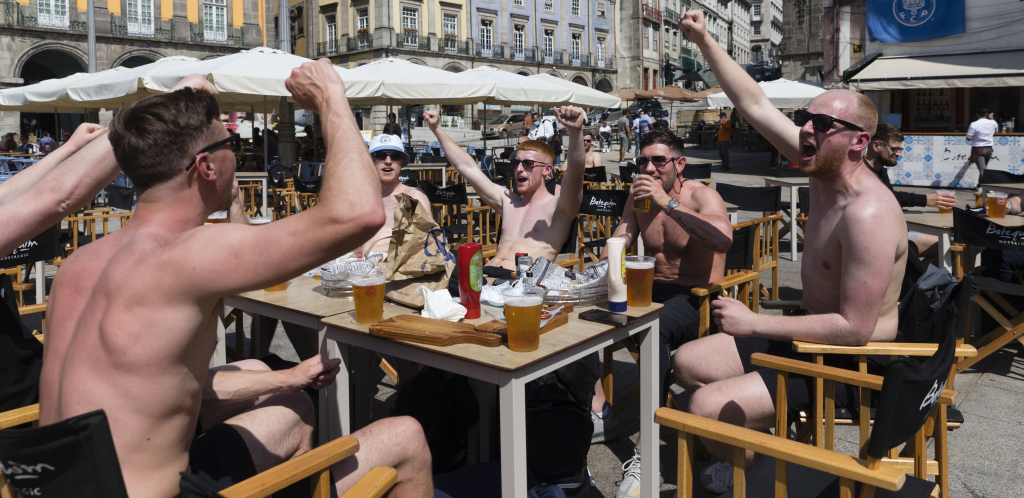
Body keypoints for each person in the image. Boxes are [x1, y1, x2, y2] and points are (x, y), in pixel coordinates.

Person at [38, 66, 433, 498]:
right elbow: (359, 213)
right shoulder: (188, 254)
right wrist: (331, 97)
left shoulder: (80, 263)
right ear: (206, 166)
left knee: (292, 409)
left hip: (55, 482)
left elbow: (156, 384)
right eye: (233, 145)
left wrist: (284, 380)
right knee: (408, 436)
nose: (237, 155)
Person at [672, 10, 907, 494]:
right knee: (688, 362)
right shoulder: (822, 167)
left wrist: (755, 322)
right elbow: (754, 104)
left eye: (821, 123)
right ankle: (756, 452)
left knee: (703, 408)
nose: (805, 129)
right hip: (807, 334)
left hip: (851, 362)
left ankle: (768, 477)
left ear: (860, 141)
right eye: (804, 119)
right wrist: (704, 41)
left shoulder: (868, 214)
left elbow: (856, 328)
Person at [604, 129, 733, 498]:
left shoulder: (701, 195)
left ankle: (647, 451)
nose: (648, 167)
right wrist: (601, 270)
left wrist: (667, 202)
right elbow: (622, 238)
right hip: (649, 287)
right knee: (581, 317)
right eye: (642, 160)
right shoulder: (639, 196)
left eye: (658, 160)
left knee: (651, 330)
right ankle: (597, 409)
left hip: (694, 296)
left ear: (679, 164)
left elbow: (722, 239)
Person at [0, 123, 120, 412]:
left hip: (30, 372)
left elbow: (6, 196)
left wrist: (70, 148)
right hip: (26, 409)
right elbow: (58, 200)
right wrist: (145, 122)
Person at [425, 106, 586, 275]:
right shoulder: (508, 201)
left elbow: (575, 174)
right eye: (517, 163)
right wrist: (436, 129)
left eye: (528, 164)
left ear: (547, 170)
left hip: (520, 286)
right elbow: (467, 167)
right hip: (486, 278)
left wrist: (576, 132)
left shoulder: (558, 208)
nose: (519, 169)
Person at [864, 123, 955, 265]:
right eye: (894, 149)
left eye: (900, 149)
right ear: (876, 146)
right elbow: (888, 199)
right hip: (874, 240)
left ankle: (918, 284)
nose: (899, 154)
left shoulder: (881, 170)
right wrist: (926, 199)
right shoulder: (860, 172)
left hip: (891, 233)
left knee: (949, 246)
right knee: (944, 247)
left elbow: (891, 198)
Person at [362, 133, 433, 257]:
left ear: (402, 162)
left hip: (399, 268)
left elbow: (426, 242)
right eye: (380, 155)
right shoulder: (358, 197)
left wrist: (375, 248)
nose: (388, 161)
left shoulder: (415, 197)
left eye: (394, 156)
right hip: (355, 267)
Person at [966, 108, 997, 184]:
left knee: (983, 170)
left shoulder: (974, 124)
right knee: (983, 169)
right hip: (989, 149)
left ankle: (984, 187)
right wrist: (992, 119)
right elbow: (995, 131)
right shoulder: (993, 123)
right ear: (987, 114)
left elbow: (968, 138)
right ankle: (980, 186)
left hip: (978, 150)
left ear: (977, 114)